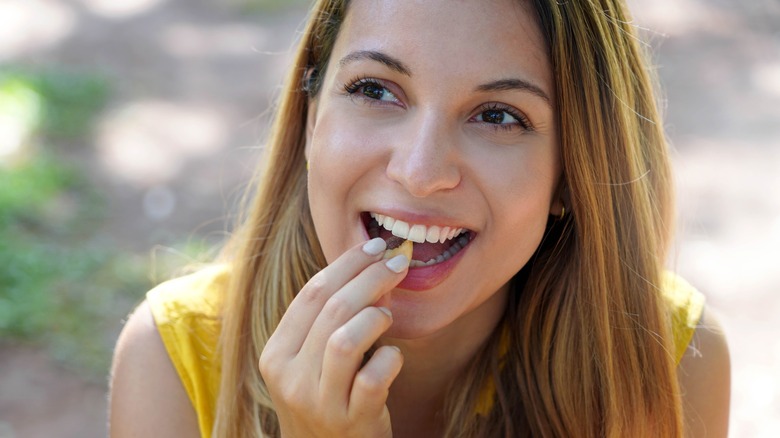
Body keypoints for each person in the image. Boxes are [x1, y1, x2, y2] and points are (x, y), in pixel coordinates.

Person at [108, 0, 731, 436]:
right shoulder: (175, 360)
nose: (420, 169)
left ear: (573, 173)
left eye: (498, 115)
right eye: (375, 90)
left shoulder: (672, 363)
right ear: (311, 118)